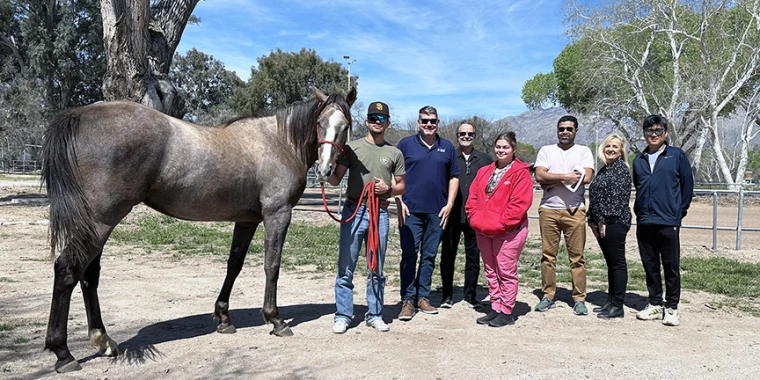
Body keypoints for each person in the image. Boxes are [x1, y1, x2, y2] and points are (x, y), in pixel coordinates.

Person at [326, 101, 406, 334]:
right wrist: (325, 167)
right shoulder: (352, 148)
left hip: (379, 211)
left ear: (388, 123)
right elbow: (335, 179)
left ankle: (375, 314)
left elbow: (402, 186)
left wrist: (388, 189)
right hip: (354, 209)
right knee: (346, 265)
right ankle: (342, 314)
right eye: (373, 118)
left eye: (381, 119)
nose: (377, 122)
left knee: (376, 266)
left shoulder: (395, 153)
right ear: (367, 121)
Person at [395, 105, 459, 321]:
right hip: (410, 211)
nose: (429, 124)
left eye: (432, 121)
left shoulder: (447, 147)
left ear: (438, 122)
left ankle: (423, 297)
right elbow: (394, 174)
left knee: (429, 256)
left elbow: (454, 177)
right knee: (409, 256)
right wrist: (399, 200)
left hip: (437, 212)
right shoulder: (405, 144)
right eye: (425, 121)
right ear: (418, 123)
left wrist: (449, 204)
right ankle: (407, 300)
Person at [465, 132, 533, 327]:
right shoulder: (485, 171)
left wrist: (502, 223)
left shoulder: (520, 173)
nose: (501, 150)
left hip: (508, 232)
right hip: (483, 229)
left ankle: (507, 310)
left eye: (505, 147)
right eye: (498, 147)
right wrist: (474, 217)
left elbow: (519, 204)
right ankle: (495, 306)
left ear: (513, 149)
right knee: (490, 270)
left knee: (505, 270)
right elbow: (473, 197)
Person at [632, 114, 693, 327]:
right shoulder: (638, 160)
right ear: (644, 134)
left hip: (668, 220)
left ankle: (672, 307)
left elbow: (687, 185)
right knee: (650, 265)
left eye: (658, 131)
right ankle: (655, 303)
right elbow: (639, 186)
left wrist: (680, 211)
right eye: (650, 131)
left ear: (665, 133)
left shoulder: (676, 156)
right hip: (645, 220)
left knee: (671, 265)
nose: (654, 135)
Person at [534, 115, 594, 316]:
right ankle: (548, 295)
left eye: (569, 129)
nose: (565, 132)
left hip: (575, 210)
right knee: (547, 256)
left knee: (577, 257)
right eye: (561, 129)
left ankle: (579, 298)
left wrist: (552, 180)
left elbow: (586, 177)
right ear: (557, 131)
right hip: (549, 210)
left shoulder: (583, 151)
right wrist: (567, 177)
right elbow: (540, 175)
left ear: (576, 131)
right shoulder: (546, 151)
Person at [439, 121, 493, 308]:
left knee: (473, 257)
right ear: (457, 135)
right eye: (463, 133)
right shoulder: (448, 156)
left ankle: (470, 296)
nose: (466, 136)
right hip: (451, 215)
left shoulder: (485, 160)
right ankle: (447, 295)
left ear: (475, 136)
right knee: (447, 256)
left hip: (475, 217)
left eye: (470, 133)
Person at [587, 133, 632, 319]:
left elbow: (617, 201)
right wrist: (592, 218)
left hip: (615, 222)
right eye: (608, 146)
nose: (611, 149)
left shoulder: (621, 170)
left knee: (618, 263)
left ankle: (618, 305)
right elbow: (596, 196)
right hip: (601, 222)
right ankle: (611, 300)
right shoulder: (605, 169)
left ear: (621, 150)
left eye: (615, 146)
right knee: (611, 264)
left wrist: (603, 219)